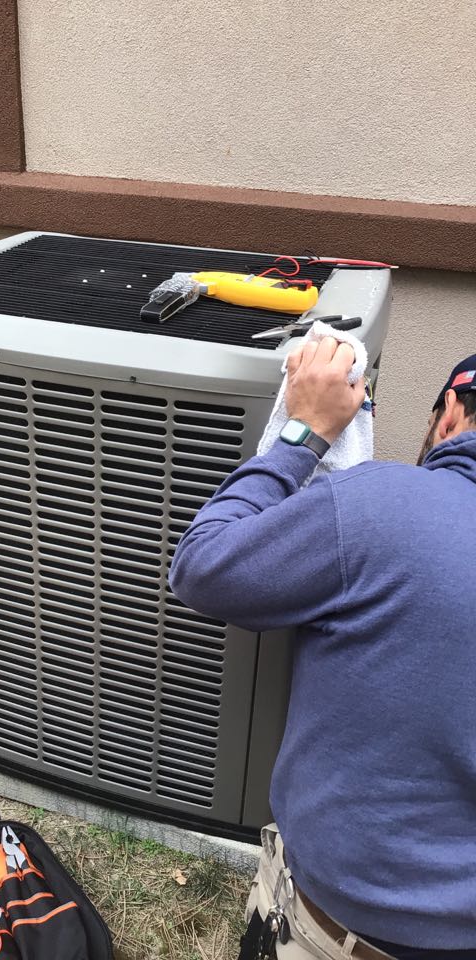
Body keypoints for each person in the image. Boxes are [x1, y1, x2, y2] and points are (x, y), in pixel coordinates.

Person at [169, 343, 476, 959]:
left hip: (347, 930)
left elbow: (202, 568)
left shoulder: (384, 506)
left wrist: (303, 431)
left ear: (449, 414)